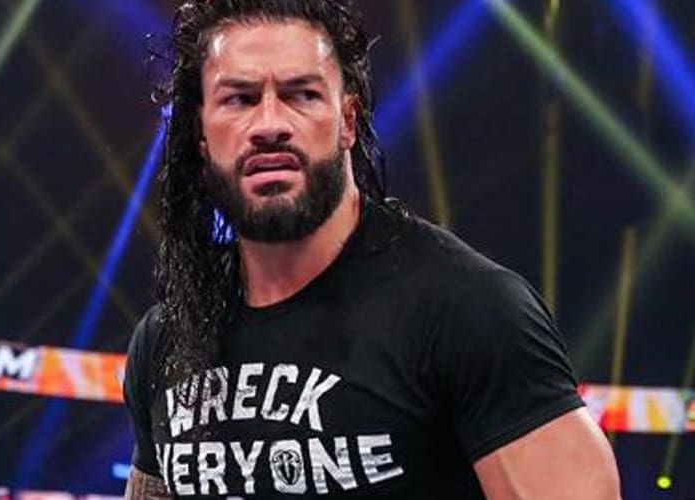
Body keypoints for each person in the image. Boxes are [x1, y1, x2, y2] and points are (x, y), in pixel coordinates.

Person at [123, 0, 621, 498]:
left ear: (348, 119)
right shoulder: (168, 338)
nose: (270, 123)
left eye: (302, 95)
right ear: (200, 133)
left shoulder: (467, 312)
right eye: (240, 99)